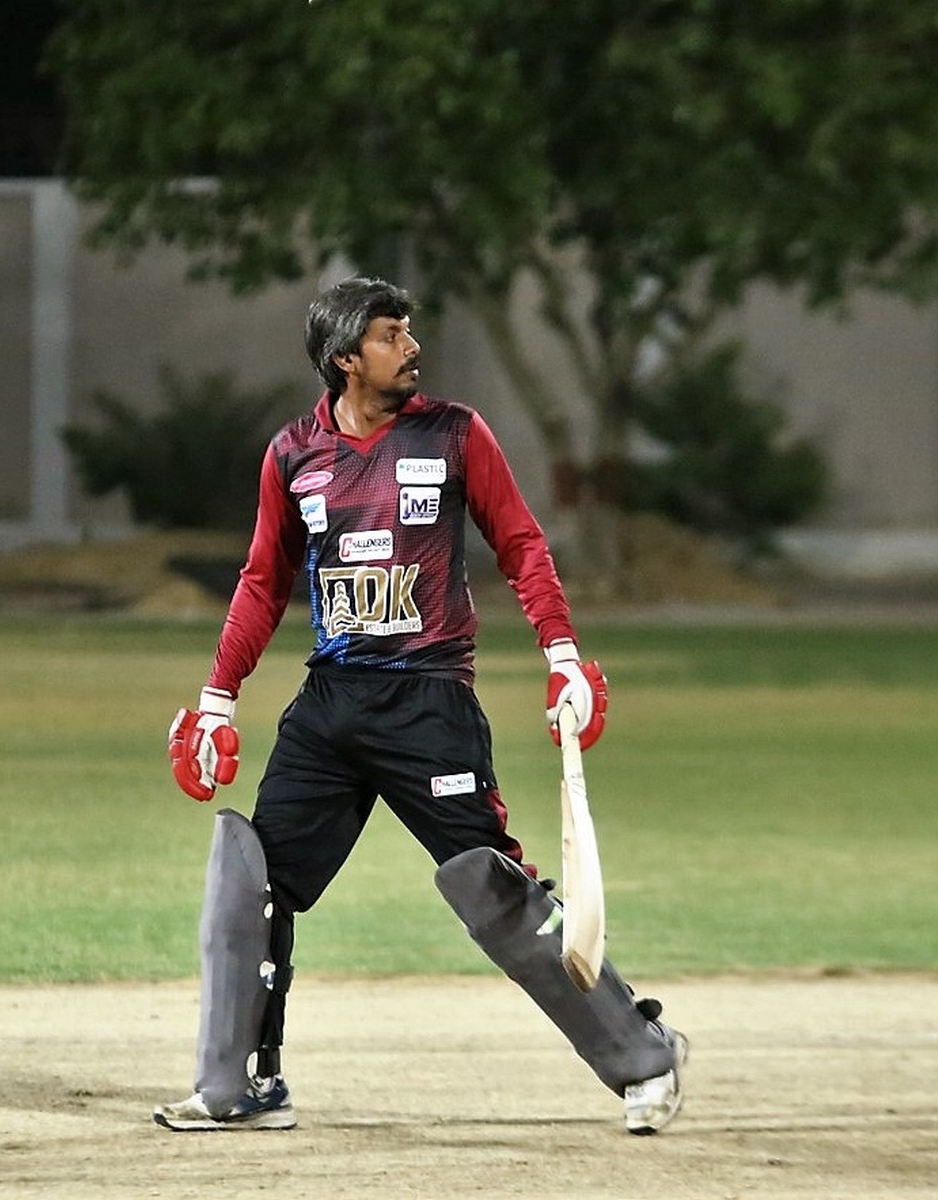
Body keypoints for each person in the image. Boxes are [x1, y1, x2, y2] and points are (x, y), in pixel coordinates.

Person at [154, 276, 688, 1136]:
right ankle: (238, 1087)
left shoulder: (454, 433)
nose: (411, 348)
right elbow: (262, 581)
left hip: (429, 701)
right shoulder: (293, 453)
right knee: (253, 880)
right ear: (345, 358)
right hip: (331, 706)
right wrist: (218, 699)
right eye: (390, 335)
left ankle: (645, 1057)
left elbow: (521, 543)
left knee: (491, 886)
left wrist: (561, 656)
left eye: (408, 331)